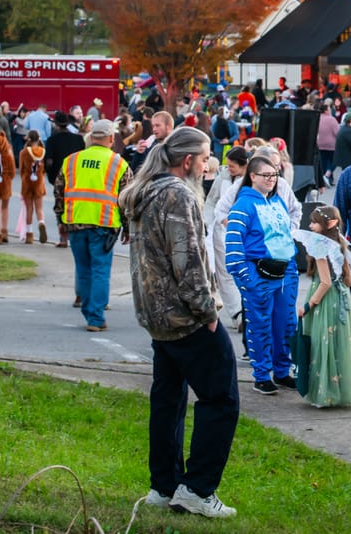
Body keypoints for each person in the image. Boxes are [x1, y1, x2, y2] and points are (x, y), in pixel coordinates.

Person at [121, 126, 239, 518]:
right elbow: (187, 261)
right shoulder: (176, 193)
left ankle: (164, 484)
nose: (209, 166)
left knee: (168, 399)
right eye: (205, 158)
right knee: (221, 399)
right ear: (187, 161)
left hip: (157, 315)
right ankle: (198, 489)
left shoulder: (146, 189)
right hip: (185, 316)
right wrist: (208, 312)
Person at [226, 153, 300, 394]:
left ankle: (281, 371)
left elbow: (286, 235)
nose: (271, 179)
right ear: (252, 176)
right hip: (258, 274)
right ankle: (261, 374)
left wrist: (292, 270)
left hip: (285, 274)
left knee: (286, 325)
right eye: (266, 175)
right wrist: (247, 278)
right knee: (260, 326)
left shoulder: (278, 201)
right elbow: (234, 246)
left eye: (274, 175)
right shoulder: (243, 205)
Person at [55, 119, 131, 331]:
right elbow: (126, 199)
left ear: (91, 138)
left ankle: (89, 311)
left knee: (84, 268)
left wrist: (60, 220)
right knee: (100, 270)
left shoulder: (71, 161)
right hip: (104, 224)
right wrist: (128, 227)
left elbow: (59, 192)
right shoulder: (119, 163)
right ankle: (95, 318)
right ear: (110, 139)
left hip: (75, 222)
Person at [295, 205, 351, 408]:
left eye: (315, 222)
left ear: (330, 223)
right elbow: (349, 281)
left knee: (322, 343)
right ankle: (342, 391)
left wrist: (307, 306)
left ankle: (325, 393)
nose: (310, 225)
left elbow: (325, 282)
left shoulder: (320, 246)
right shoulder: (340, 243)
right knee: (341, 343)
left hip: (325, 301)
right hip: (343, 299)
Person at [204, 146, 248, 328]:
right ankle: (238, 314)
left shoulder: (253, 179)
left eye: (232, 166)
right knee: (224, 275)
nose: (228, 169)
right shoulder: (223, 177)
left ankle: (247, 310)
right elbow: (212, 201)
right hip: (221, 232)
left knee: (244, 274)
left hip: (245, 233)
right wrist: (207, 222)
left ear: (244, 165)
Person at [44, 111, 86, 248]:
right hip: (76, 177)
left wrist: (49, 173)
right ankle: (76, 235)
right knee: (75, 206)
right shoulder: (78, 139)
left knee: (60, 207)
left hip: (58, 179)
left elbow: (49, 162)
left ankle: (63, 238)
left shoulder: (52, 140)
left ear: (56, 124)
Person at [18, 130, 48, 244]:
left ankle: (29, 234)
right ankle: (41, 222)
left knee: (29, 208)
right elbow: (44, 169)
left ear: (29, 139)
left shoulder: (24, 152)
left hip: (27, 182)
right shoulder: (43, 151)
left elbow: (21, 169)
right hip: (39, 182)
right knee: (39, 208)